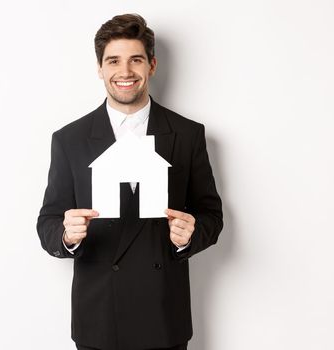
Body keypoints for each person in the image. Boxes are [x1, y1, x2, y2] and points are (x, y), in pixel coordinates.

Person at [36, 14, 223, 350]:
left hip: (163, 318)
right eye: (113, 61)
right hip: (99, 320)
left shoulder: (187, 134)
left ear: (151, 65)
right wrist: (66, 235)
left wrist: (189, 236)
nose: (124, 72)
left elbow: (212, 215)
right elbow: (47, 221)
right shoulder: (70, 139)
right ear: (100, 68)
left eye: (135, 60)